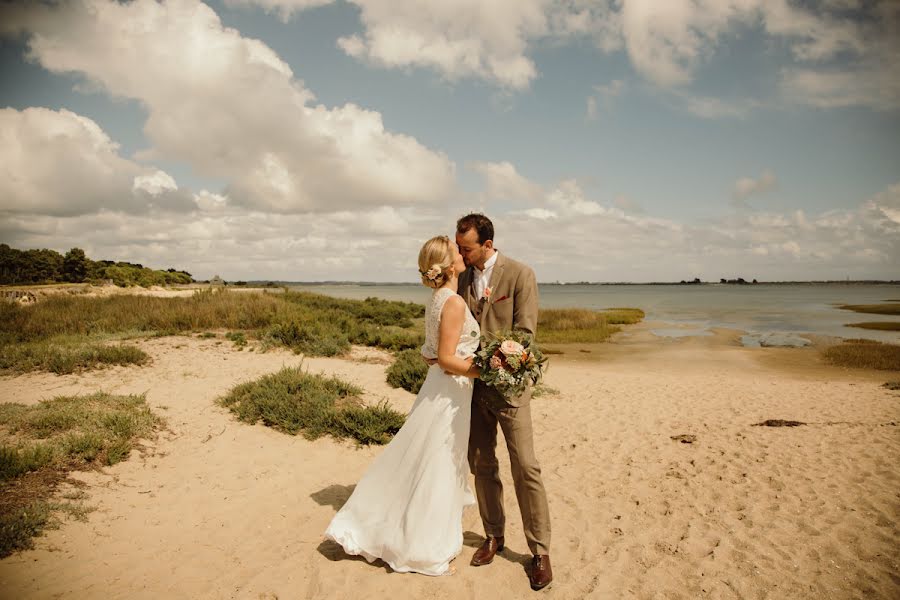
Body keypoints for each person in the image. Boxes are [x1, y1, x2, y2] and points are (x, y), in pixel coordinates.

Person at [324, 235, 481, 576]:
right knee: (438, 457)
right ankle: (422, 540)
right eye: (456, 250)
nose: (461, 252)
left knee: (428, 454)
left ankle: (415, 524)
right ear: (450, 264)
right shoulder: (452, 302)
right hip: (450, 391)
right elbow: (445, 357)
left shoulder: (437, 298)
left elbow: (432, 350)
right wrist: (485, 371)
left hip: (442, 389)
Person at [455, 213, 553, 591]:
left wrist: (490, 360)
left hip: (511, 392)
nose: (461, 254)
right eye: (460, 247)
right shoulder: (462, 277)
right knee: (482, 465)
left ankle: (540, 552)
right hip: (472, 392)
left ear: (488, 245)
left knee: (526, 467)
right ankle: (494, 535)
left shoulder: (520, 275)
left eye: (467, 248)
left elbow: (524, 335)